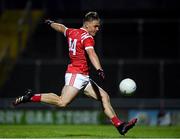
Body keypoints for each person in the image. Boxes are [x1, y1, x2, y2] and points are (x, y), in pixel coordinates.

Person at [13, 11, 137, 135]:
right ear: (87, 25)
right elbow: (92, 54)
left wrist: (51, 23)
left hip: (84, 77)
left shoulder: (72, 32)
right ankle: (31, 97)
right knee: (62, 102)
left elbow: (61, 28)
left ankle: (120, 125)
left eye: (98, 26)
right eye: (95, 26)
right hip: (76, 75)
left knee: (105, 97)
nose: (98, 29)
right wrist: (99, 69)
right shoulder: (87, 37)